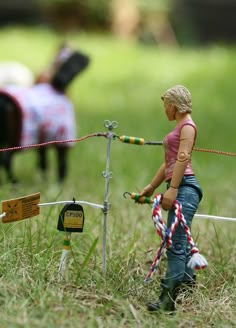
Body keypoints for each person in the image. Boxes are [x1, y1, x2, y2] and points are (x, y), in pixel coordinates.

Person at [139, 85, 203, 312]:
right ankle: (186, 285)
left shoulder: (187, 127)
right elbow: (169, 162)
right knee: (181, 243)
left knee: (175, 245)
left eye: (166, 106)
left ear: (174, 106)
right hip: (178, 186)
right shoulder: (180, 127)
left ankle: (168, 301)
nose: (164, 110)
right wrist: (151, 186)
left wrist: (173, 188)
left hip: (185, 187)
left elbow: (183, 157)